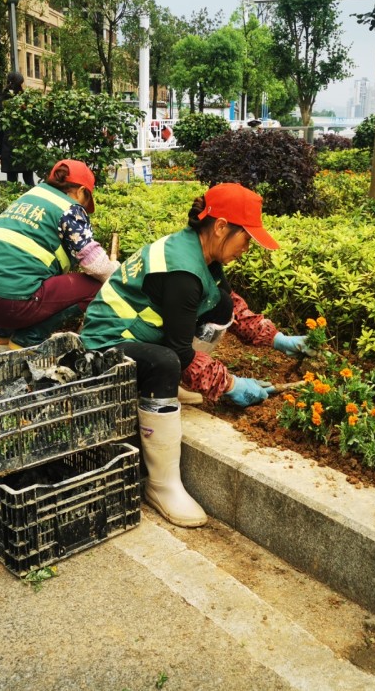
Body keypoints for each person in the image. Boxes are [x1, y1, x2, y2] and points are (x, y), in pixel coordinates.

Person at [80, 183, 314, 528]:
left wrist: (277, 338)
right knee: (166, 363)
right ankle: (161, 485)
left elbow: (228, 305)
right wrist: (230, 384)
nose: (247, 248)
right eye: (246, 238)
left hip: (141, 336)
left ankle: (168, 387)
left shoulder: (201, 252)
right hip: (106, 346)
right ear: (221, 226)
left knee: (220, 305)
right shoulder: (183, 273)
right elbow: (179, 351)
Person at [0, 159, 116, 349]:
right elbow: (97, 266)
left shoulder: (31, 196)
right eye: (87, 200)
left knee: (19, 268)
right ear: (82, 191)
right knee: (96, 286)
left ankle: (4, 331)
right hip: (7, 304)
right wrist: (119, 275)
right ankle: (29, 337)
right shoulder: (71, 209)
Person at [0, 72, 35, 186]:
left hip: (8, 144)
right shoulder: (26, 100)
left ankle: (13, 197)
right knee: (29, 180)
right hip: (25, 144)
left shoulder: (2, 100)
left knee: (12, 182)